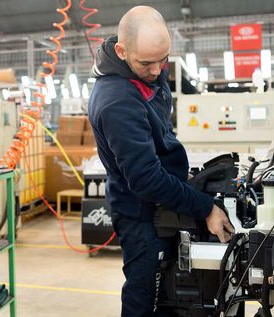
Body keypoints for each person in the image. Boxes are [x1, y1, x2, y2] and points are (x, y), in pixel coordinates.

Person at [87, 6, 234, 317]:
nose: (157, 70)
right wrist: (204, 206)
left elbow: (161, 135)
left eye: (162, 60)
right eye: (147, 63)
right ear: (121, 51)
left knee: (173, 294)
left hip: (163, 203)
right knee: (146, 298)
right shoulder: (117, 101)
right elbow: (145, 179)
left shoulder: (148, 66)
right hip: (140, 213)